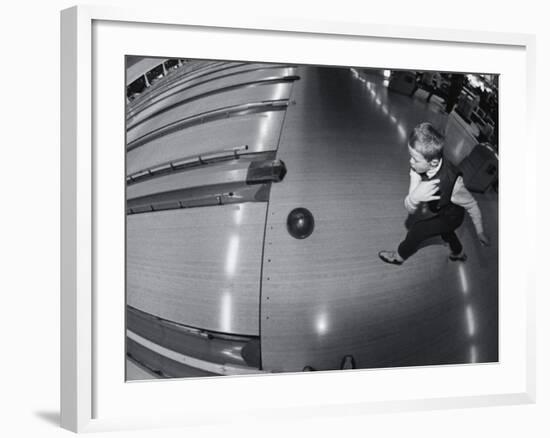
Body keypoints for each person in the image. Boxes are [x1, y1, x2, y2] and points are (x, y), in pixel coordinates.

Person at [378, 122, 490, 265]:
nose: (411, 162)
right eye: (411, 156)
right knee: (447, 233)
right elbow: (410, 205)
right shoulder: (422, 165)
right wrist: (415, 196)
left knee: (418, 230)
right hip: (441, 208)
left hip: (452, 217)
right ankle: (458, 253)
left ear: (434, 162)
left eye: (416, 159)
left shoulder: (455, 184)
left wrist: (480, 231)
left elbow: (472, 205)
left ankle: (398, 257)